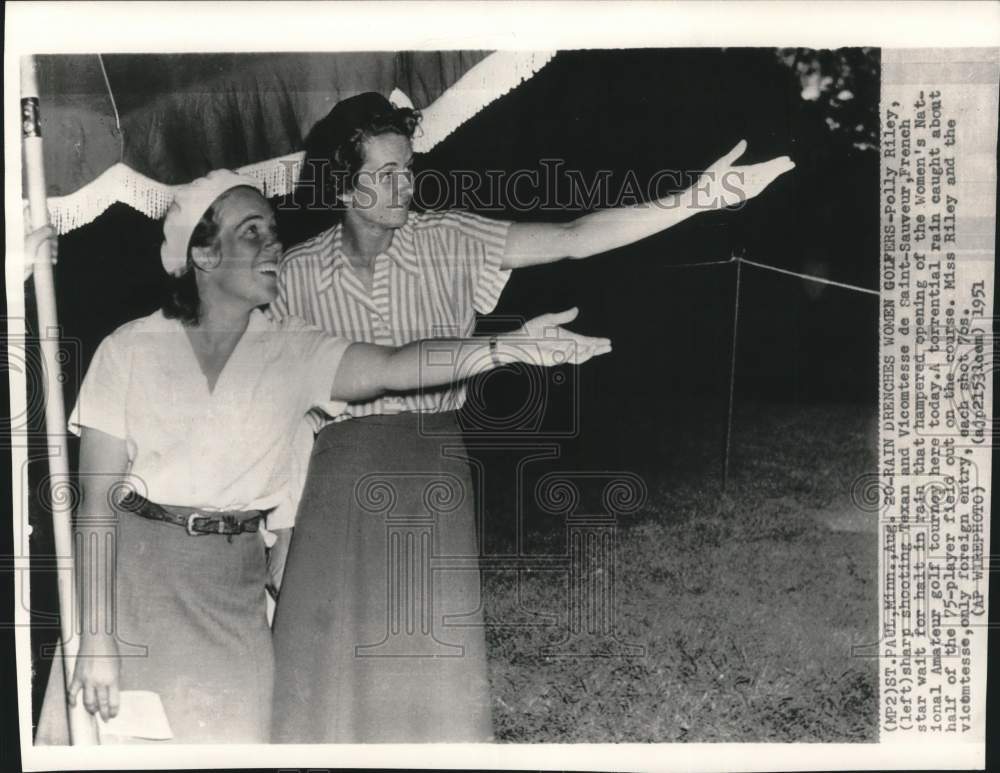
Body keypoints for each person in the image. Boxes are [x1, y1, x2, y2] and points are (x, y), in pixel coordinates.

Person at [269, 93, 795, 743]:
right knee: (326, 676)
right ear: (343, 188)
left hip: (429, 461)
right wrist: (280, 530)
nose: (406, 183)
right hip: (335, 477)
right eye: (385, 173)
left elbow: (575, 238)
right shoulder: (293, 274)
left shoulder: (450, 236)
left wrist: (695, 198)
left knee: (431, 667)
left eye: (408, 166)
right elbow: (276, 407)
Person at [33, 170, 610, 745]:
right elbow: (96, 508)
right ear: (203, 255)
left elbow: (394, 365)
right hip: (136, 587)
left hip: (232, 592)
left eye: (273, 230)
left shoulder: (294, 350)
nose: (273, 243)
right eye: (250, 231)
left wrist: (505, 347)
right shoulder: (128, 348)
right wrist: (98, 637)